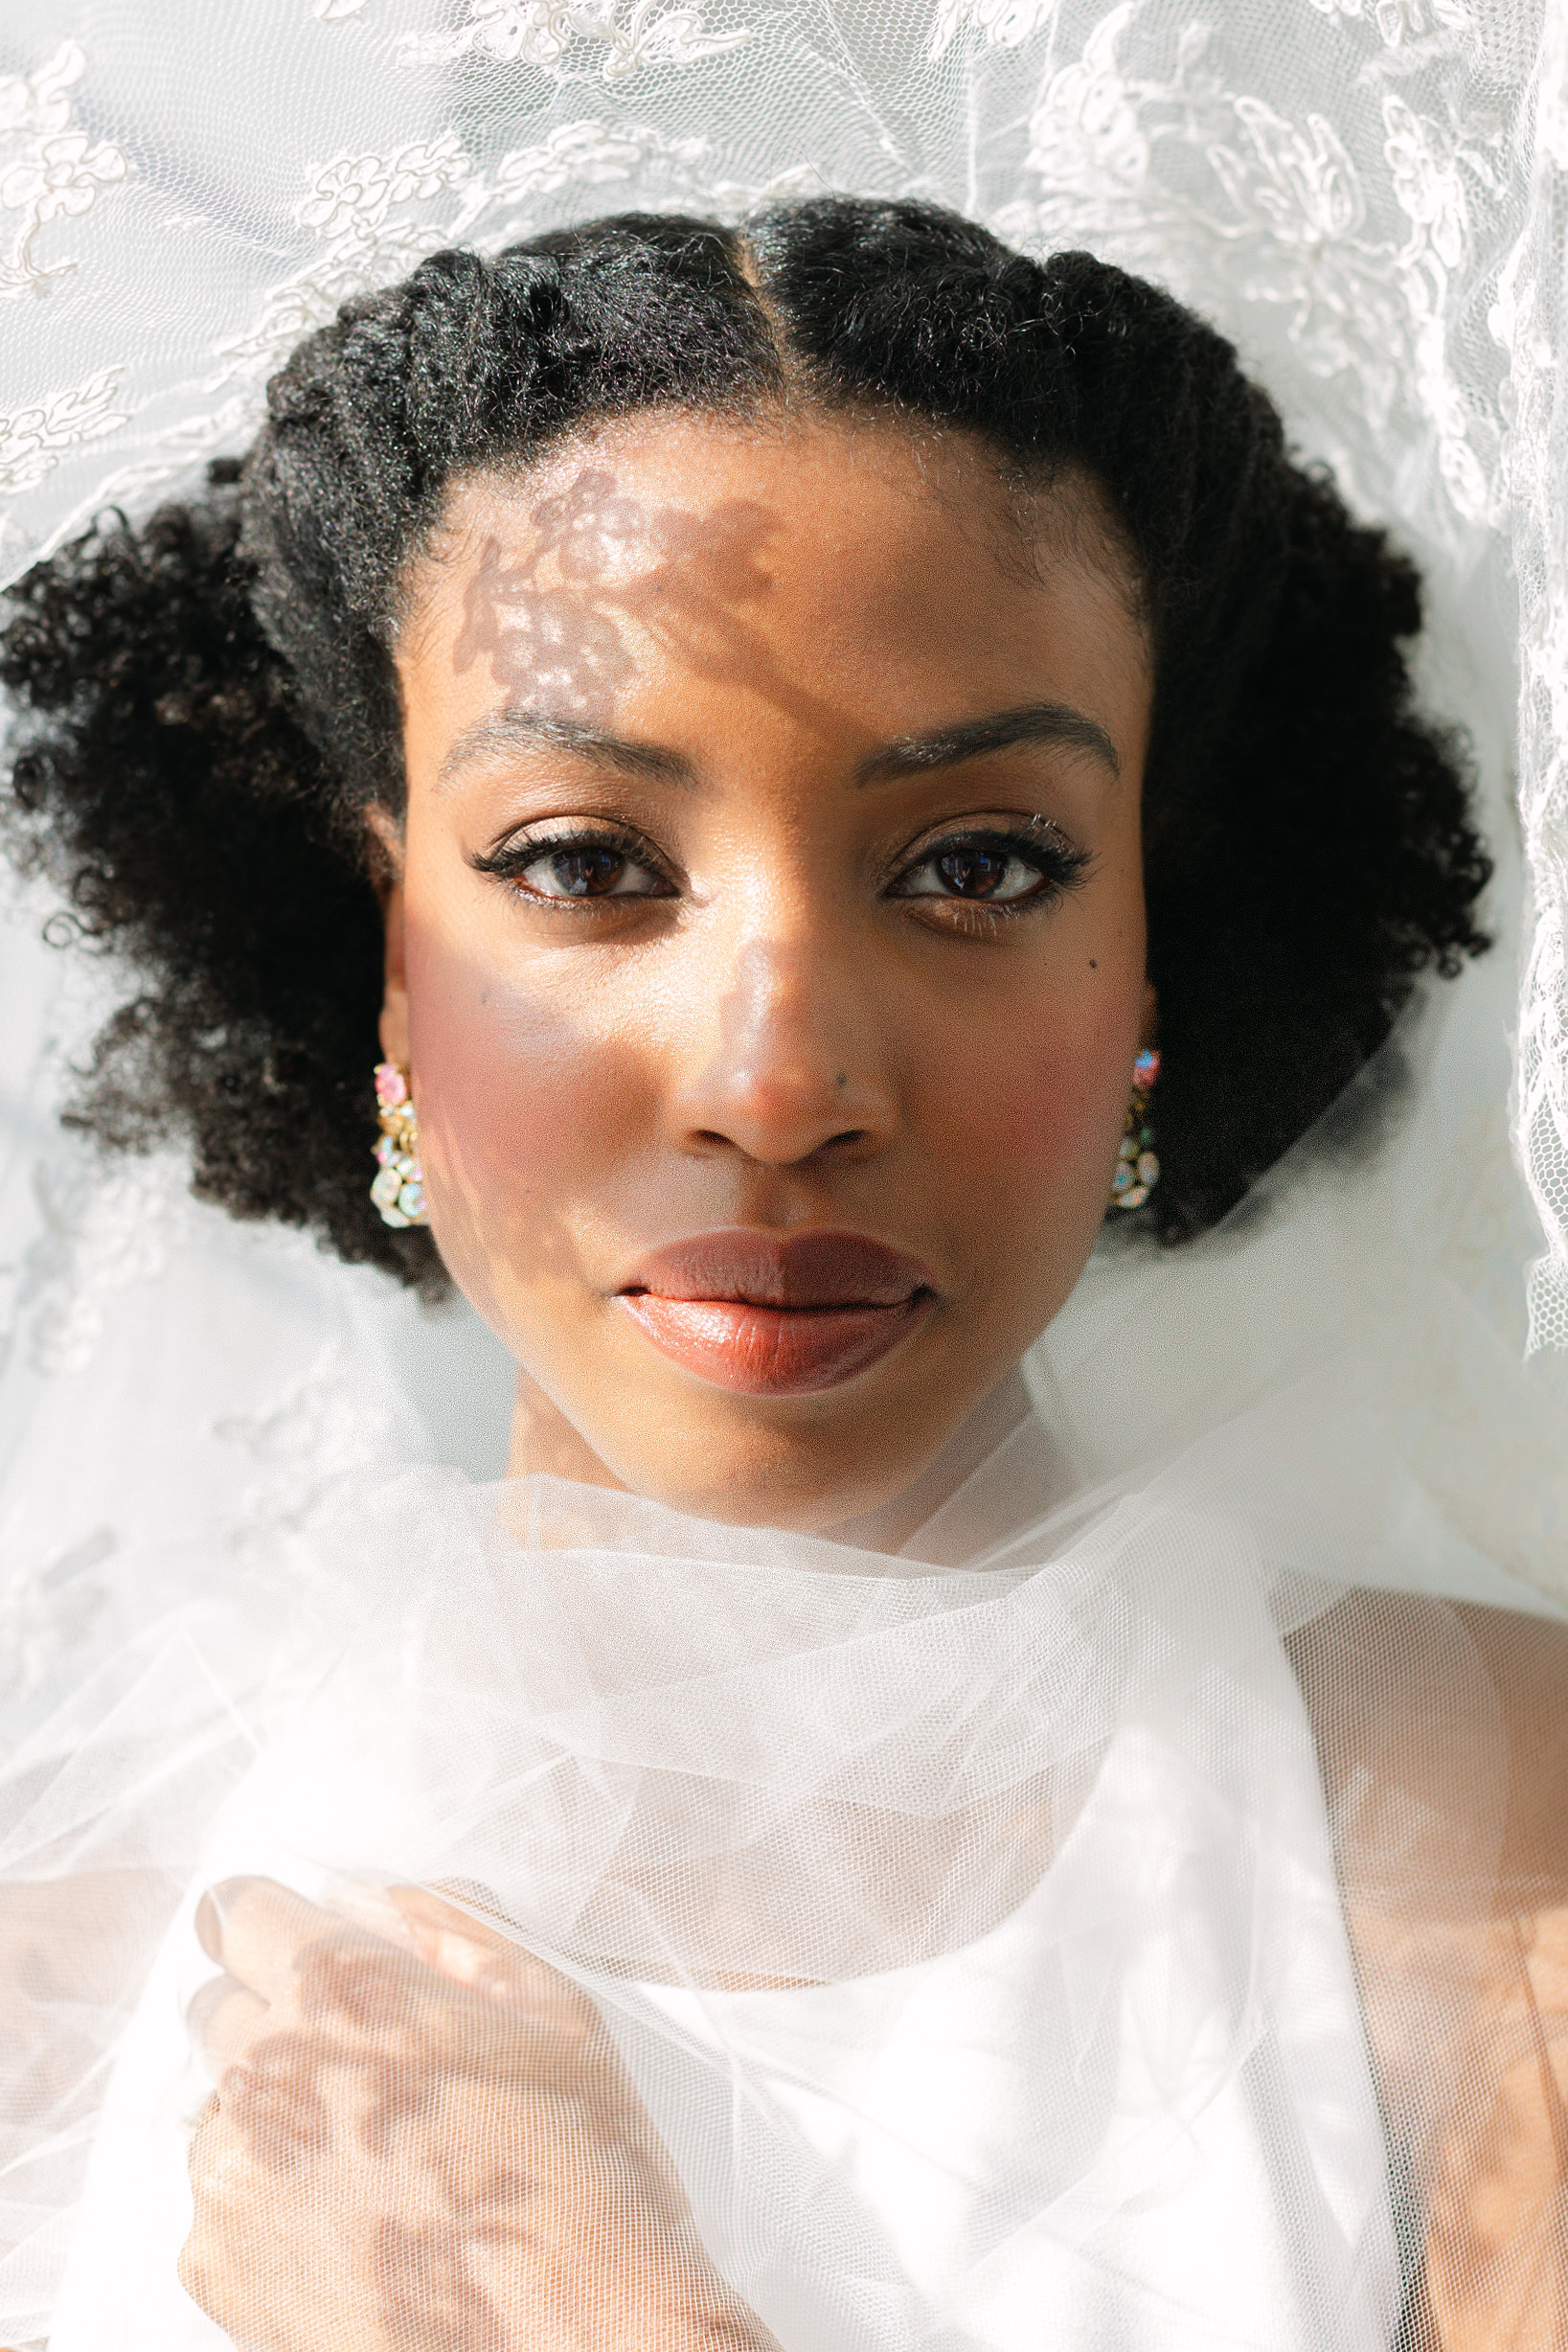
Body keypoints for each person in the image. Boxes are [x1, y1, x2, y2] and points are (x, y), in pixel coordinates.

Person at [1, 198, 1564, 2350]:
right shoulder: (63, 2009)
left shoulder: (1515, 1873)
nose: (782, 1080)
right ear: (376, 960)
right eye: (584, 864)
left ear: (1155, 953)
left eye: (979, 864)